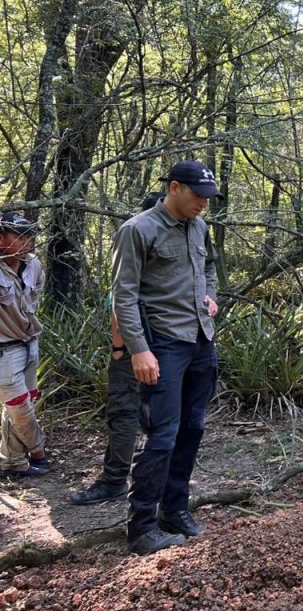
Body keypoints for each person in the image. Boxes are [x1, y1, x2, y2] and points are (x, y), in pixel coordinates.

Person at [112, 162, 220, 555]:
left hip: (201, 340)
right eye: (198, 196)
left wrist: (210, 295)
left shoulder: (199, 227)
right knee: (162, 434)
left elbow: (208, 266)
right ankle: (141, 527)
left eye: (209, 198)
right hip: (162, 345)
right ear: (174, 188)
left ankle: (174, 510)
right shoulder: (138, 230)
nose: (204, 204)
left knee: (193, 427)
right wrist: (138, 349)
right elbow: (123, 296)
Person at [69, 192, 163, 505]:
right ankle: (156, 476)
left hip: (137, 348)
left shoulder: (136, 243)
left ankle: (114, 480)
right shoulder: (171, 247)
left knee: (124, 411)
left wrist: (119, 348)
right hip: (170, 345)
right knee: (159, 414)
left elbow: (120, 305)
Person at [0, 212, 48, 479]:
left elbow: (35, 295)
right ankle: (39, 451)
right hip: (4, 349)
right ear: (1, 238)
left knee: (26, 401)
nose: (25, 241)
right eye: (17, 236)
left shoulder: (33, 265)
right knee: (19, 406)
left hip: (30, 342)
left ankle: (14, 461)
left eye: (28, 235)